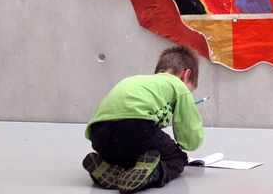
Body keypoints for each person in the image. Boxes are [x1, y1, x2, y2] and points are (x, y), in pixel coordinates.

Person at [82, 46, 204, 193]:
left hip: (99, 135)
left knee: (134, 153)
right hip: (136, 127)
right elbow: (189, 141)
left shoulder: (138, 81)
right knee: (177, 158)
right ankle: (154, 174)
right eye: (191, 90)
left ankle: (110, 168)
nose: (189, 93)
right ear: (186, 75)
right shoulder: (178, 85)